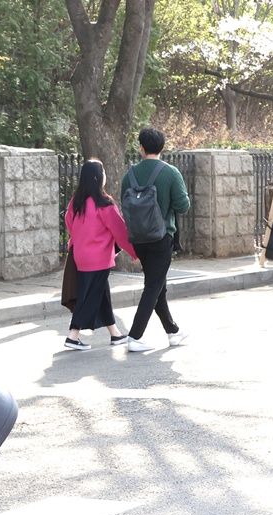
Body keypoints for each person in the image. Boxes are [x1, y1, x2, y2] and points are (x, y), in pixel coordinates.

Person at [121, 129, 191, 352]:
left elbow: (126, 206)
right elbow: (183, 206)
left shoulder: (129, 175)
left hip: (139, 238)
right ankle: (135, 336)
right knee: (153, 285)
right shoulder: (170, 173)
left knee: (157, 285)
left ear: (140, 147)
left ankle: (173, 332)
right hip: (161, 237)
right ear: (162, 148)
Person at [64, 159, 138, 350]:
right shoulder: (104, 203)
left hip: (81, 256)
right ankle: (73, 335)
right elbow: (120, 231)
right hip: (99, 258)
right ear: (98, 178)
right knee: (89, 296)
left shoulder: (76, 202)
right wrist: (135, 253)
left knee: (101, 293)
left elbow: (69, 222)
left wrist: (79, 239)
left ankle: (115, 334)